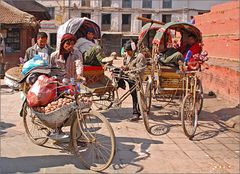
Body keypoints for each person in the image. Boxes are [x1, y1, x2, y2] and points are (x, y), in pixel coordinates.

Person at [120, 40, 147, 121]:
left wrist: (128, 68)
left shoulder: (140, 56)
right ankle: (121, 85)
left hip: (136, 77)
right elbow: (126, 65)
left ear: (133, 49)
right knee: (116, 72)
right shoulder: (127, 56)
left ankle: (136, 113)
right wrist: (124, 67)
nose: (127, 53)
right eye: (126, 51)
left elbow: (139, 70)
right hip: (129, 75)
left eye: (129, 51)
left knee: (134, 95)